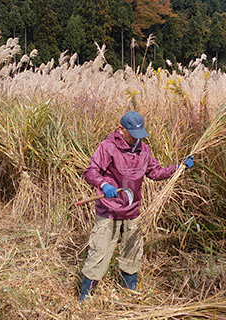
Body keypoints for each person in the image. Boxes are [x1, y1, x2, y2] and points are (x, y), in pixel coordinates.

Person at [79, 111, 194, 301]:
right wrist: (103, 184)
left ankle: (129, 293)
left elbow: (156, 173)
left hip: (132, 212)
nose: (135, 139)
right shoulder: (108, 147)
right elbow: (90, 171)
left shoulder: (144, 150)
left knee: (133, 253)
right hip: (109, 210)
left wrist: (178, 167)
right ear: (121, 129)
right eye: (132, 133)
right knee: (99, 253)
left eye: (139, 134)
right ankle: (86, 297)